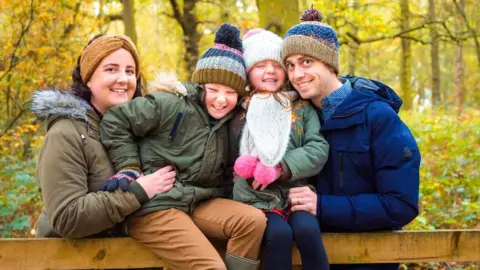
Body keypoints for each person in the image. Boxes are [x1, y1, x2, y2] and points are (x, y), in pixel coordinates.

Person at [100, 24, 266, 270]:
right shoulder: (170, 104)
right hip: (156, 206)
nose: (221, 99)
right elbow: (115, 121)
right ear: (201, 86)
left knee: (252, 221)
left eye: (230, 92)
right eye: (213, 90)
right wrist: (130, 167)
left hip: (198, 202)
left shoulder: (230, 122)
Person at [282, 7, 421, 270]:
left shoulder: (377, 116)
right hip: (307, 257)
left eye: (306, 62)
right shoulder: (296, 117)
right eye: (290, 65)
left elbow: (401, 204)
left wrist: (322, 206)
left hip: (368, 259)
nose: (296, 74)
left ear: (330, 63)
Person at [31, 34, 176, 238]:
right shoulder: (66, 133)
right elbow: (67, 218)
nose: (123, 79)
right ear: (88, 78)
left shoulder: (144, 131)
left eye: (130, 71)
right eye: (111, 69)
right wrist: (137, 191)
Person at [229, 28, 330, 270]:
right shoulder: (240, 112)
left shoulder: (301, 107)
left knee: (307, 230)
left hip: (296, 194)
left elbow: (317, 148)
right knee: (279, 235)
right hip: (257, 199)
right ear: (248, 72)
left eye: (276, 64)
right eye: (260, 66)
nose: (270, 71)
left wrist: (279, 167)